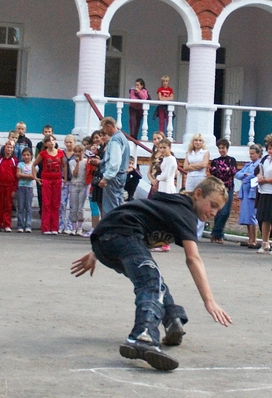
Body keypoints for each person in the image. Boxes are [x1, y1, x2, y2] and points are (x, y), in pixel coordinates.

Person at [70, 177, 233, 372]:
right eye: (212, 205)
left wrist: (96, 253)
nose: (213, 213)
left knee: (153, 279)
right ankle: (143, 335)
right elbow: (193, 258)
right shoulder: (185, 211)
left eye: (218, 210)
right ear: (198, 194)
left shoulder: (173, 204)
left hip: (108, 240)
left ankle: (173, 319)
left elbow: (135, 213)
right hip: (122, 235)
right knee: (151, 282)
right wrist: (209, 301)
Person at [33, 134, 67, 234]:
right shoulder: (43, 153)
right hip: (46, 179)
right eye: (49, 141)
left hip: (57, 180)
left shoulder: (60, 153)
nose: (51, 142)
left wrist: (64, 178)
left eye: (53, 140)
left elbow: (64, 166)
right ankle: (46, 227)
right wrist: (35, 177)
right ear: (46, 143)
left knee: (55, 203)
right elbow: (34, 165)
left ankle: (54, 227)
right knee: (46, 203)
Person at [208, 138, 238, 244]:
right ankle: (219, 236)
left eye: (223, 148)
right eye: (220, 148)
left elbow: (233, 172)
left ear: (227, 148)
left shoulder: (232, 160)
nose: (221, 150)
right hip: (217, 189)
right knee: (218, 212)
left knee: (225, 212)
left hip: (228, 188)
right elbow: (213, 172)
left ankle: (215, 233)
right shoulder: (215, 161)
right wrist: (225, 170)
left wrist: (222, 171)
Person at [98, 117, 130, 215]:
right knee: (118, 202)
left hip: (114, 177)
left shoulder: (116, 139)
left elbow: (115, 162)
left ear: (109, 126)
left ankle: (112, 228)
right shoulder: (122, 137)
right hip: (121, 175)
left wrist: (106, 177)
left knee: (111, 206)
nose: (105, 132)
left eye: (105, 129)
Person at [235, 144, 262, 248]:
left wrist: (245, 176)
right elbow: (238, 174)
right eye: (250, 153)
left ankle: (254, 240)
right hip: (245, 192)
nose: (251, 155)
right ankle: (250, 239)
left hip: (253, 192)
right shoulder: (248, 165)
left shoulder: (260, 164)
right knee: (246, 215)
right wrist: (245, 175)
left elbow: (252, 176)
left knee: (252, 216)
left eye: (253, 153)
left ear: (258, 154)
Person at [0, 141, 19, 232]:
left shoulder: (14, 161)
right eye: (8, 147)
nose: (9, 149)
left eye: (11, 147)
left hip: (10, 187)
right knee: (0, 205)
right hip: (0, 186)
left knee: (8, 206)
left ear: (13, 149)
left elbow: (16, 176)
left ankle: (7, 225)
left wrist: (14, 189)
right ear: (4, 148)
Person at [67, 143, 88, 235]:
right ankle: (73, 227)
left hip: (83, 185)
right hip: (74, 185)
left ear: (83, 152)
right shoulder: (71, 162)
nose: (77, 153)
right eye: (75, 152)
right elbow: (74, 174)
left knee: (80, 208)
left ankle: (79, 228)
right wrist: (78, 163)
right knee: (74, 208)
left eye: (79, 152)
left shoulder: (86, 162)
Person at [16, 148, 37, 233]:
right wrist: (28, 175)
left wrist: (23, 175)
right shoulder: (20, 164)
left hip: (29, 187)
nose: (26, 156)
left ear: (31, 155)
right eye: (24, 155)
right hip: (21, 187)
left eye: (28, 155)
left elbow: (33, 176)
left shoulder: (33, 165)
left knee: (28, 207)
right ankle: (20, 225)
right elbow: (18, 175)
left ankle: (28, 225)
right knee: (21, 207)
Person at [60, 134, 77, 233]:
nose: (69, 144)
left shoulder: (77, 153)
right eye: (67, 142)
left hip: (74, 181)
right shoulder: (62, 153)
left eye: (71, 142)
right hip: (64, 180)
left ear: (74, 143)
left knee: (72, 204)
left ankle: (70, 226)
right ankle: (61, 224)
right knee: (62, 203)